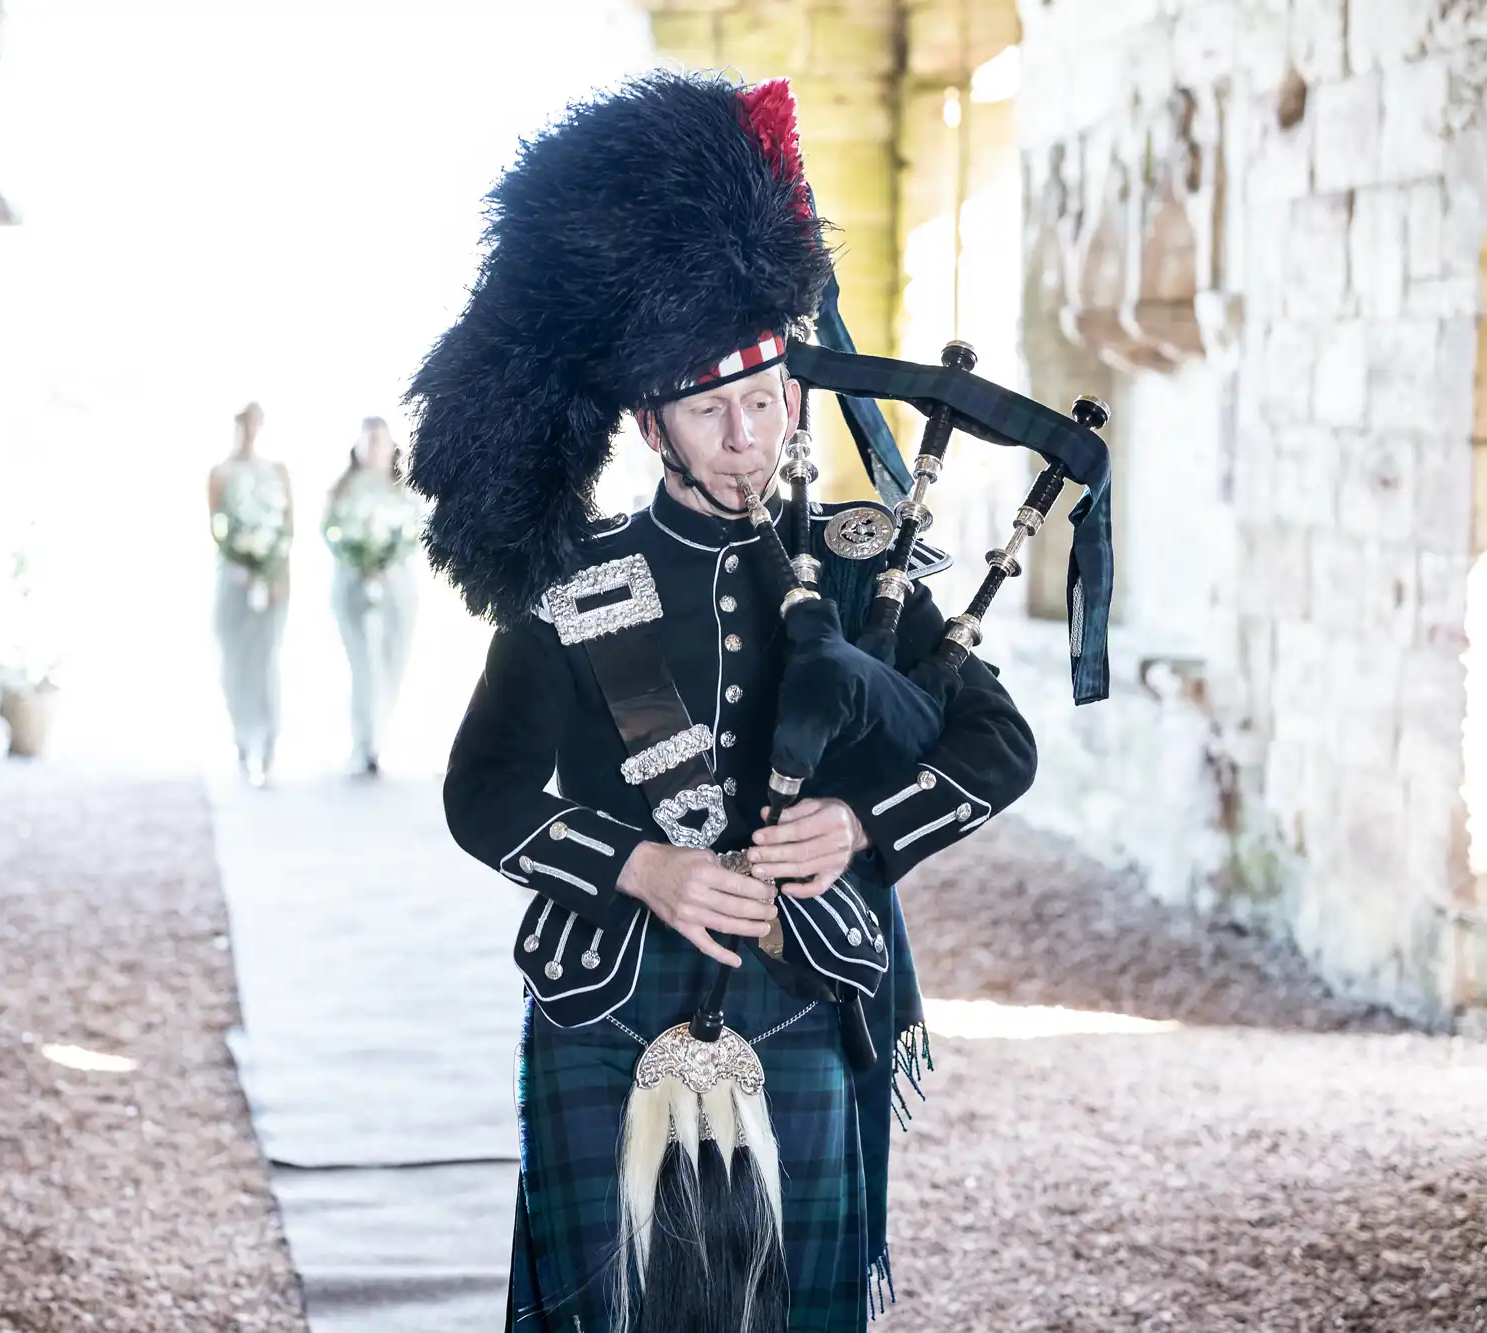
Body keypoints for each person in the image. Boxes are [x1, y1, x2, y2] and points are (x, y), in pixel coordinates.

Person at [406, 75, 1043, 1331]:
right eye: (711, 410)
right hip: (607, 995)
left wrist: (862, 833)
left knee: (799, 1309)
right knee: (607, 1309)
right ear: (654, 423)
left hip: (804, 980)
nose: (747, 436)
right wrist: (639, 864)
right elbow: (479, 795)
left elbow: (998, 742)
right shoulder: (571, 585)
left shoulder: (860, 570)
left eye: (764, 401)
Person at [321, 416, 423, 777]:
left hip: (396, 586)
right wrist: (362, 561)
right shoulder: (342, 491)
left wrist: (387, 561)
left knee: (392, 662)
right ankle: (364, 743)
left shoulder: (402, 493)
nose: (375, 450)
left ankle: (379, 735)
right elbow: (332, 533)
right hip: (354, 584)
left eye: (381, 442)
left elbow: (413, 534)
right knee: (363, 664)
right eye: (369, 443)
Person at [209, 401, 293, 786]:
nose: (250, 429)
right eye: (244, 422)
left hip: (273, 579)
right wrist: (242, 564)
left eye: (256, 421)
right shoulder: (220, 473)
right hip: (235, 578)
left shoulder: (277, 472)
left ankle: (270, 741)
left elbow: (287, 529)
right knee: (235, 660)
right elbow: (217, 527)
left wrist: (271, 573)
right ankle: (242, 741)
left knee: (266, 659)